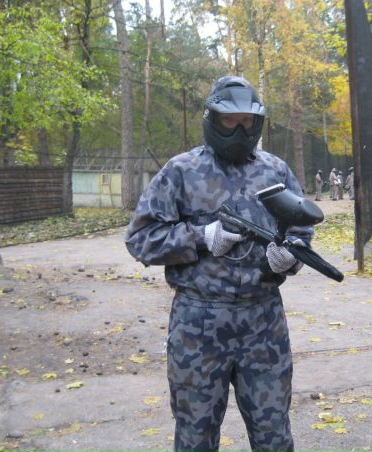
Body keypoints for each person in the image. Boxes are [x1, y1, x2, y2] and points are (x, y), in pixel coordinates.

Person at [125, 75, 312, 452]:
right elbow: (140, 238)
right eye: (230, 120)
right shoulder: (181, 171)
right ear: (212, 119)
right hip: (198, 325)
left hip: (263, 323)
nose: (239, 130)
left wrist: (287, 258)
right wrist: (199, 237)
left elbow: (300, 229)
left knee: (274, 435)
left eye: (247, 121)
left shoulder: (275, 171)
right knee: (195, 436)